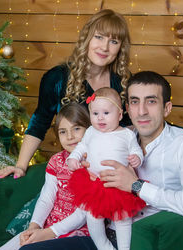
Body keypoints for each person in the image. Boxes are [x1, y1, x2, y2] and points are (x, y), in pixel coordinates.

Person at [19, 71, 183, 250]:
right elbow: (88, 199)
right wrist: (87, 170)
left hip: (141, 238)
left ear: (166, 108)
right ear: (126, 109)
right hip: (101, 232)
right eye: (135, 102)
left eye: (151, 101)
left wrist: (136, 186)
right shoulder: (117, 135)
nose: (141, 111)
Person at [0, 9, 132, 179]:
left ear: (120, 48)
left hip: (110, 170)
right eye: (99, 37)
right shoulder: (57, 78)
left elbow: (130, 129)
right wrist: (21, 166)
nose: (104, 47)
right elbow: (39, 123)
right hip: (73, 169)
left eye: (113, 41)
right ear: (87, 38)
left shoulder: (123, 83)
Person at [0, 103, 91, 250]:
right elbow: (47, 198)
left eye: (77, 129)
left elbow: (83, 214)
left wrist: (48, 233)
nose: (70, 136)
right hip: (47, 227)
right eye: (63, 132)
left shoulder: (93, 164)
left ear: (90, 129)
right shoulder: (57, 161)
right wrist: (34, 227)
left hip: (77, 233)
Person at [67, 87, 145, 250]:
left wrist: (137, 158)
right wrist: (73, 158)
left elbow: (135, 149)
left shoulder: (126, 134)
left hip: (119, 184)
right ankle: (104, 247)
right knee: (93, 217)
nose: (100, 118)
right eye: (95, 114)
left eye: (106, 113)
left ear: (119, 114)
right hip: (95, 184)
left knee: (122, 219)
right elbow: (82, 147)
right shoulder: (90, 132)